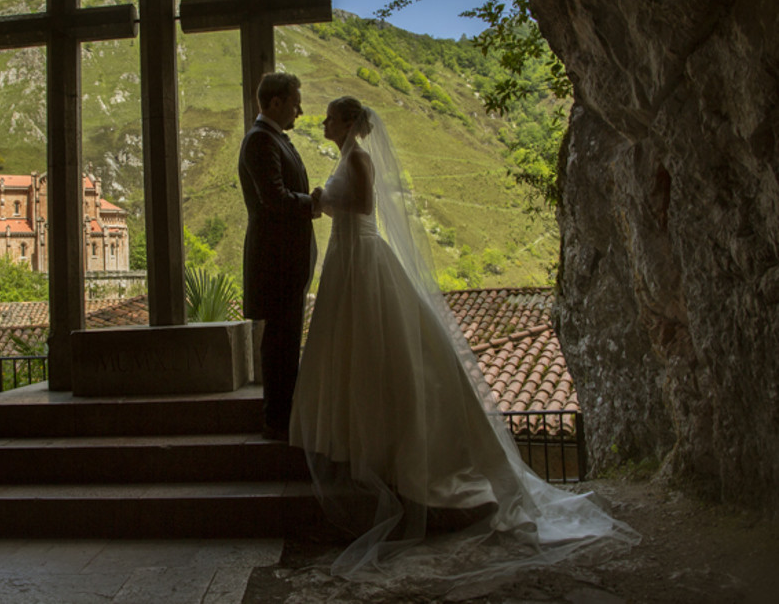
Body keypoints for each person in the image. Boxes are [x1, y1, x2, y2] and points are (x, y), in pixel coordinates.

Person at [289, 96, 638, 581]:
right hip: (346, 258)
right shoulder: (345, 157)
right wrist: (325, 203)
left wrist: (323, 201)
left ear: (348, 120)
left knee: (380, 348)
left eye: (330, 116)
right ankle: (359, 441)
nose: (323, 122)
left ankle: (389, 451)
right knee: (351, 349)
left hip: (362, 257)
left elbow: (365, 207)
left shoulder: (360, 159)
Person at [238, 72, 318, 441]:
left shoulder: (273, 139)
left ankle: (284, 416)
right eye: (294, 102)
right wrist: (314, 204)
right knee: (279, 342)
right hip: (277, 259)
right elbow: (275, 198)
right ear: (275, 103)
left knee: (285, 339)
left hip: (287, 258)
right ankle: (277, 420)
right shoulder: (259, 141)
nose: (299, 110)